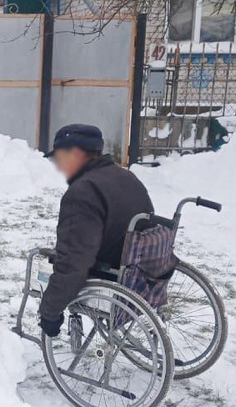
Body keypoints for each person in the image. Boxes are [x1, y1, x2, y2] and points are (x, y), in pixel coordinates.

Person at [39, 124, 154, 337]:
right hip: (143, 270)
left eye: (59, 158)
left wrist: (49, 311)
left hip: (111, 274)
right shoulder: (126, 177)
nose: (57, 166)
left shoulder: (83, 192)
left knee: (43, 262)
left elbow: (74, 260)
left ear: (75, 153)